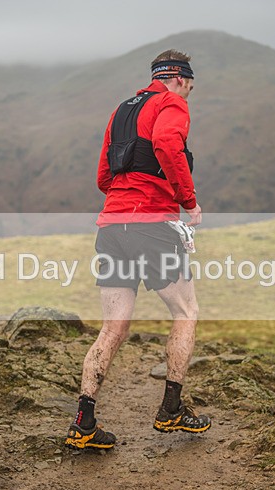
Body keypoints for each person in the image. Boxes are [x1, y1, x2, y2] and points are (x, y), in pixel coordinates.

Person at [65, 49, 211, 450]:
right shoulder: (172, 104)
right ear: (181, 79)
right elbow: (166, 142)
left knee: (113, 327)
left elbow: (102, 176)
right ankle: (170, 410)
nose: (188, 95)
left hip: (111, 227)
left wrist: (127, 195)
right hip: (152, 226)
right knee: (186, 312)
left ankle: (84, 422)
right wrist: (189, 201)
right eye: (190, 88)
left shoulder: (121, 111)